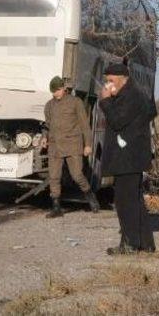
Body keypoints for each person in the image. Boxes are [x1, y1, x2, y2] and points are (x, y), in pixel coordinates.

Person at [99, 63, 156, 254]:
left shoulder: (131, 96)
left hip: (128, 157)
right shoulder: (132, 94)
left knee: (125, 202)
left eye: (111, 80)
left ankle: (130, 244)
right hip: (130, 156)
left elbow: (117, 121)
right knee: (135, 201)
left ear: (123, 78)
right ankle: (145, 243)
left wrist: (105, 101)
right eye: (107, 81)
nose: (108, 85)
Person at [42, 76, 100, 218]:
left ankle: (90, 196)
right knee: (54, 176)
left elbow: (85, 125)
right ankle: (56, 207)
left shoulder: (75, 102)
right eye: (53, 91)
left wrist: (88, 144)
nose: (55, 93)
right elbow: (47, 124)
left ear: (63, 88)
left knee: (77, 175)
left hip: (73, 144)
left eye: (57, 90)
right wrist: (44, 137)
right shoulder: (49, 105)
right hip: (55, 146)